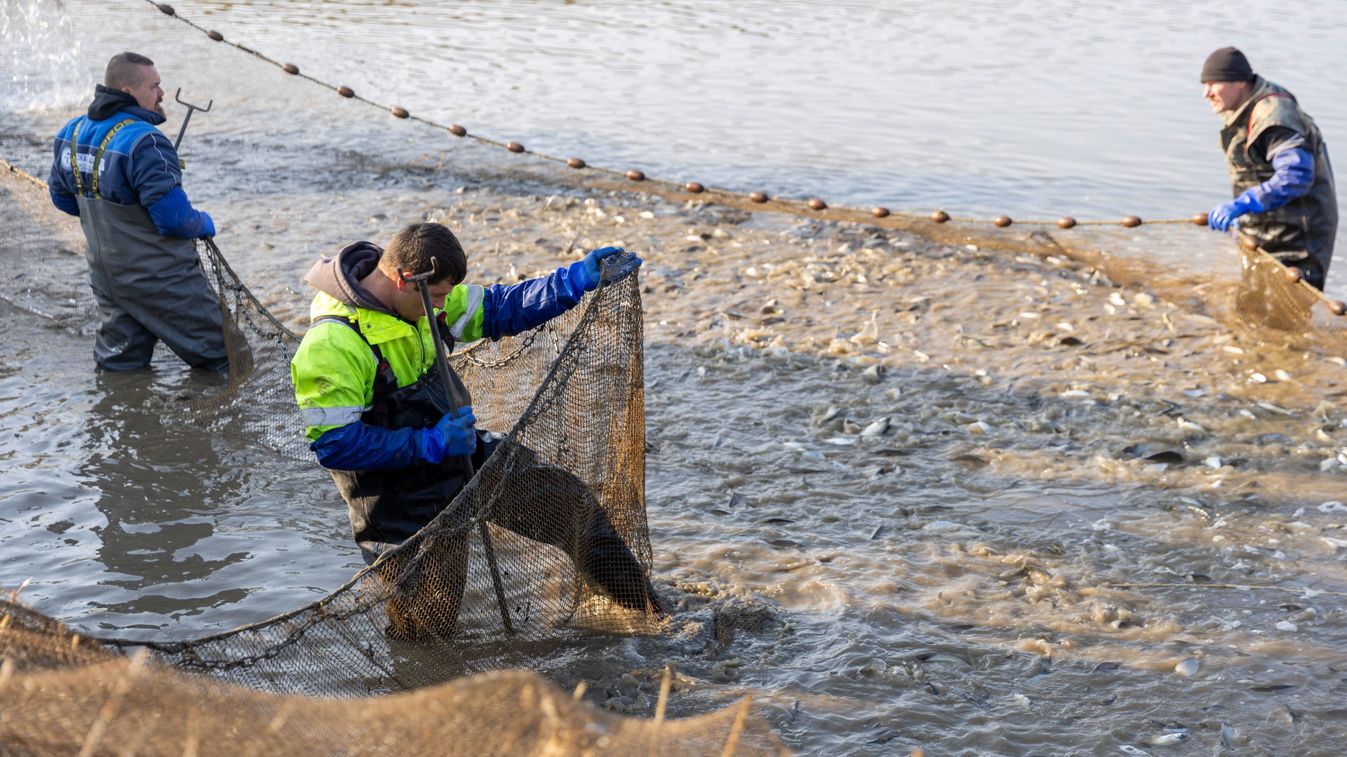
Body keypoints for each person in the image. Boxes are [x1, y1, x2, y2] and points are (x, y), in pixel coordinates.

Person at [290, 222, 662, 639]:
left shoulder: (425, 297)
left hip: (464, 457)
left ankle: (652, 617)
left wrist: (573, 280)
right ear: (401, 280)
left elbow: (501, 307)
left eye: (447, 295)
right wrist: (429, 443)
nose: (444, 305)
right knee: (428, 629)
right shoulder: (330, 346)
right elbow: (334, 445)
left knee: (571, 508)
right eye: (437, 297)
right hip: (398, 506)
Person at [48, 52, 227, 372]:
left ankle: (121, 416)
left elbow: (61, 199)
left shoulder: (70, 132)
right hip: (159, 277)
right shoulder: (147, 141)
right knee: (226, 355)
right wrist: (205, 223)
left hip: (104, 275)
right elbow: (174, 220)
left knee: (120, 365)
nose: (161, 93)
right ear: (129, 92)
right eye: (155, 86)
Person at [1201, 46, 1338, 290]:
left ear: (1239, 82)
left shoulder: (1274, 117)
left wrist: (1243, 204)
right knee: (1251, 305)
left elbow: (1296, 175)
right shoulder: (1243, 106)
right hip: (1268, 230)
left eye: (1213, 84)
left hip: (1298, 238)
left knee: (1287, 312)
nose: (1206, 93)